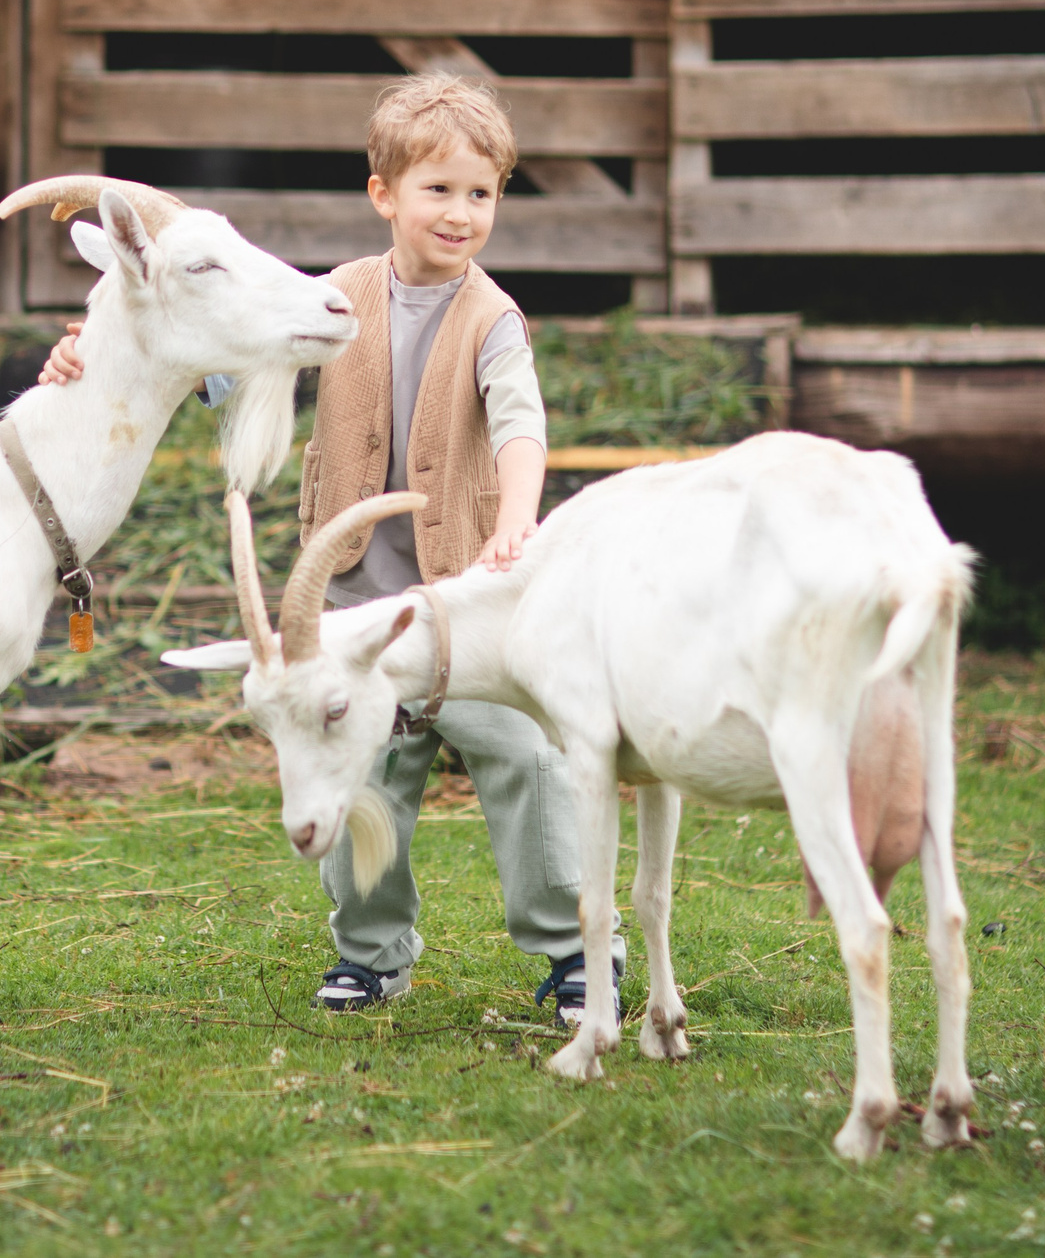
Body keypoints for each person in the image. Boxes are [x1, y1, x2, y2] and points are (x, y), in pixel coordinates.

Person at [36, 73, 621, 1023]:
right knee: (362, 766)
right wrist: (92, 348)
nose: (462, 213)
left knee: (525, 756)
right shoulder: (335, 300)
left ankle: (575, 952)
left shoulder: (493, 318)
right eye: (438, 190)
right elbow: (219, 359)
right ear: (383, 194)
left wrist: (520, 516)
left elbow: (522, 423)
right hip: (352, 607)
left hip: (465, 599)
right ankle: (373, 951)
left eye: (482, 194)